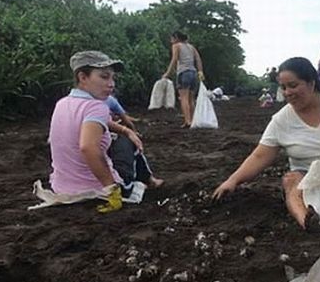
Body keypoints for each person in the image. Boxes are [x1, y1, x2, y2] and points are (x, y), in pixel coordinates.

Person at [212, 57, 320, 230]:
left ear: (311, 83)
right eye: (283, 87)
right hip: (308, 180)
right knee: (291, 180)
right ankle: (307, 220)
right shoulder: (281, 120)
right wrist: (232, 180)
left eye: (293, 85)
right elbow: (260, 155)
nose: (288, 92)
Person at [49, 51, 163, 213]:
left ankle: (148, 178)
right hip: (96, 190)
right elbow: (88, 147)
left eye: (112, 78)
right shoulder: (98, 107)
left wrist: (124, 129)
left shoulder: (62, 103)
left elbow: (94, 123)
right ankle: (149, 180)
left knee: (121, 136)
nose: (111, 84)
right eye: (104, 77)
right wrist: (111, 190)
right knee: (126, 141)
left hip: (62, 187)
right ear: (83, 77)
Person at [162, 31, 205, 128]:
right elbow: (198, 59)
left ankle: (187, 121)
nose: (171, 41)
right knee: (191, 99)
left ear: (176, 38)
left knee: (184, 98)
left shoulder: (176, 46)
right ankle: (193, 120)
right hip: (194, 73)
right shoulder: (191, 47)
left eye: (172, 38)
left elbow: (174, 59)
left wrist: (167, 73)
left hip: (184, 73)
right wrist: (200, 71)